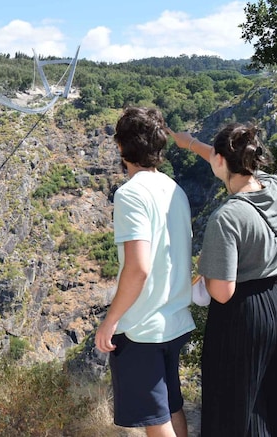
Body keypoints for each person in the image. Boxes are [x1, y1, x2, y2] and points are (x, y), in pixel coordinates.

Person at [171, 123, 277, 437]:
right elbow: (230, 160)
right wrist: (191, 143)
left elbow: (221, 291)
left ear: (220, 161)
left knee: (240, 406)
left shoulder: (227, 217)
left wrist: (203, 272)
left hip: (246, 316)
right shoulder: (274, 186)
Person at [95, 107, 195, 437]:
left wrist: (110, 321)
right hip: (174, 320)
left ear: (122, 148)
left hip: (142, 328)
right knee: (171, 406)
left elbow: (138, 268)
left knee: (155, 418)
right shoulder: (174, 190)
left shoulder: (130, 194)